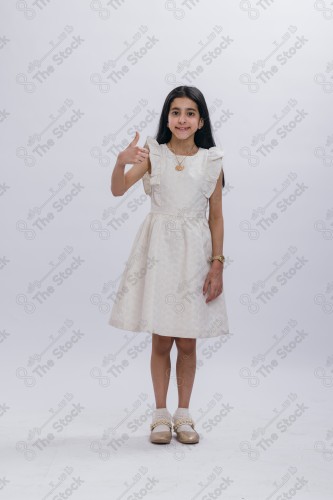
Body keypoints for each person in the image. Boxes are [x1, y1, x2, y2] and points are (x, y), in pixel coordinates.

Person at [109, 85, 230, 445]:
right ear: (167, 118)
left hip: (195, 256)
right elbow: (118, 190)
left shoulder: (211, 161)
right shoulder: (155, 155)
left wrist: (217, 264)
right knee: (161, 338)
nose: (182, 119)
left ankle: (184, 414)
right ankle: (160, 414)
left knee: (188, 342)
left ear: (201, 120)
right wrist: (121, 161)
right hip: (159, 255)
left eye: (189, 113)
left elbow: (217, 217)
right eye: (175, 112)